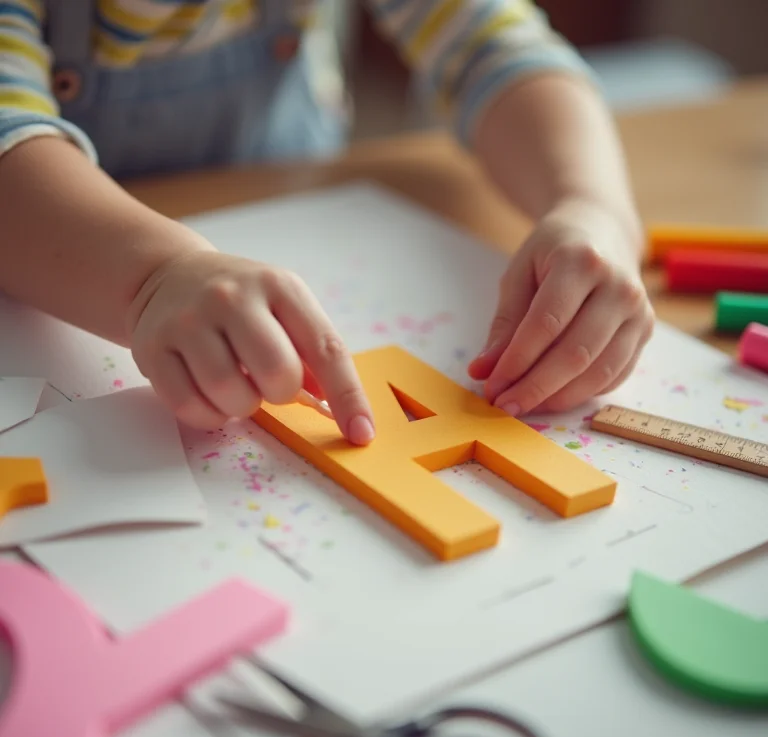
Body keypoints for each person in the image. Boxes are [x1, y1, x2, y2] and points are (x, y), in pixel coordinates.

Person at [0, 0, 654, 446]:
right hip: (71, 248)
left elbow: (497, 44)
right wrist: (152, 279)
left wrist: (592, 205)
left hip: (298, 192)